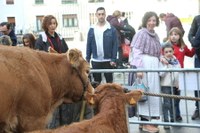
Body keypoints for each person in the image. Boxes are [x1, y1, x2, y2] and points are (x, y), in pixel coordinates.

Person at [35, 15, 71, 128]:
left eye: (54, 23)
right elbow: (38, 54)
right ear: (46, 25)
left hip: (60, 73)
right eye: (50, 24)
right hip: (48, 74)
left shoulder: (59, 37)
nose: (53, 26)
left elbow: (66, 52)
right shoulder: (41, 38)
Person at [129, 11, 161, 133]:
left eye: (154, 20)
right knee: (145, 93)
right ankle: (145, 121)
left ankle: (145, 122)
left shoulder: (156, 35)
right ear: (145, 21)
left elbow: (158, 52)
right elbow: (136, 51)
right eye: (149, 20)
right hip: (144, 66)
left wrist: (161, 58)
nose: (152, 23)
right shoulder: (141, 34)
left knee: (152, 94)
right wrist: (139, 69)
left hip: (153, 67)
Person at [164, 27, 195, 122]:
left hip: (179, 76)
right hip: (169, 75)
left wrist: (195, 44)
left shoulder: (183, 47)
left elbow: (190, 54)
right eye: (171, 34)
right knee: (168, 98)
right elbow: (161, 55)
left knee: (177, 97)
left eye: (176, 34)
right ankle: (168, 117)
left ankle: (177, 115)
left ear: (179, 36)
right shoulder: (166, 46)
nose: (173, 36)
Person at [86, 7, 118, 84]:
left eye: (102, 14)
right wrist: (87, 59)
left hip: (108, 61)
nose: (101, 16)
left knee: (109, 83)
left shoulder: (111, 29)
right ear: (96, 15)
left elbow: (115, 45)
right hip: (96, 60)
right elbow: (89, 45)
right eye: (99, 14)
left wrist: (113, 59)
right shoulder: (92, 29)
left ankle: (110, 96)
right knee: (96, 83)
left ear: (105, 15)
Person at [159, 43, 181, 129]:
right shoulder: (162, 61)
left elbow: (178, 72)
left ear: (173, 51)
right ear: (163, 53)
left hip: (174, 85)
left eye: (170, 51)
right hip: (165, 85)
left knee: (173, 103)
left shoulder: (176, 60)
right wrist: (166, 66)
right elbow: (161, 74)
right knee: (166, 104)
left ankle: (173, 119)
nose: (168, 53)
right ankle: (166, 121)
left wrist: (179, 83)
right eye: (166, 52)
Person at [188, 15, 200, 120]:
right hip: (199, 57)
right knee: (198, 83)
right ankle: (198, 108)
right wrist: (194, 43)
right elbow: (190, 35)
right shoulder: (197, 19)